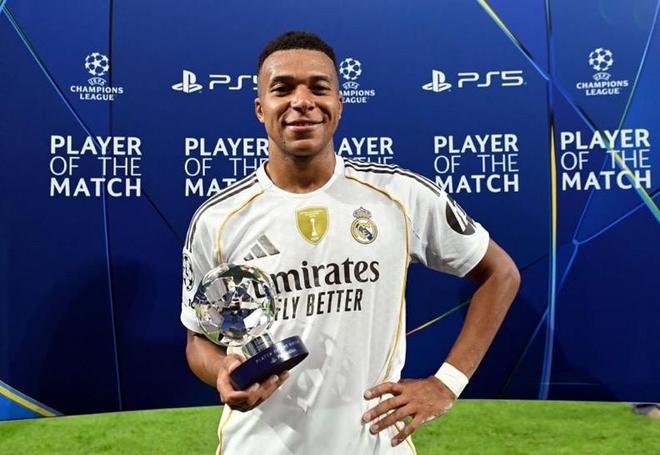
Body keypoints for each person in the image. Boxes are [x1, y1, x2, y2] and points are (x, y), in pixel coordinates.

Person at [181, 31, 520, 455]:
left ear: (339, 105)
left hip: (374, 445)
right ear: (260, 107)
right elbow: (199, 340)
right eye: (282, 89)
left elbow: (500, 274)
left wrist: (447, 383)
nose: (302, 101)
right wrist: (222, 372)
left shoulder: (400, 197)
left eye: (318, 88)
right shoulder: (218, 220)